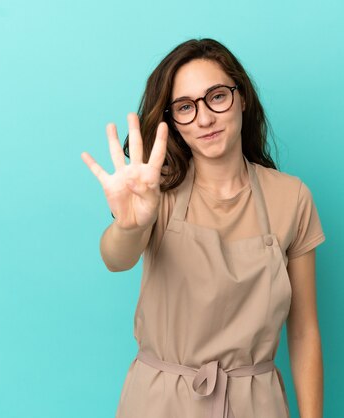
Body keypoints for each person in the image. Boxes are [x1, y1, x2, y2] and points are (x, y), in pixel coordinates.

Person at [81, 38, 326, 418]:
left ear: (241, 97)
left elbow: (304, 330)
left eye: (216, 97)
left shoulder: (292, 197)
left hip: (255, 404)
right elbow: (116, 258)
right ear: (173, 122)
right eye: (185, 107)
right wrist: (130, 226)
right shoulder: (156, 192)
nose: (204, 118)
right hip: (158, 402)